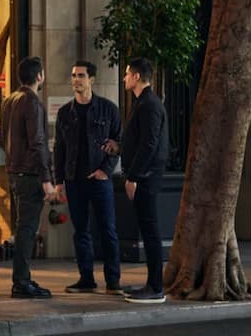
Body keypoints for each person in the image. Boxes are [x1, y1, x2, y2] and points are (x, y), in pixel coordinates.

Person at [52, 60, 122, 294]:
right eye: (73, 76)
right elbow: (59, 149)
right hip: (74, 180)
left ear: (92, 79)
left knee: (107, 229)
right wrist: (59, 180)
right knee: (81, 230)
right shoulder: (65, 113)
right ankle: (86, 279)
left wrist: (105, 169)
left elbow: (118, 143)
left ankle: (113, 281)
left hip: (100, 180)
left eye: (81, 76)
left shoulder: (108, 109)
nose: (76, 80)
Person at [106, 57, 169, 303]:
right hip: (144, 175)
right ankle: (152, 284)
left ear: (136, 76)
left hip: (146, 177)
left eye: (126, 74)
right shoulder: (144, 103)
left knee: (150, 231)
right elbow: (140, 142)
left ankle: (155, 287)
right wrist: (119, 148)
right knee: (148, 229)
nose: (123, 78)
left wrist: (133, 176)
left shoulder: (149, 104)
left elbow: (150, 144)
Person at [0, 56, 53, 299]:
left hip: (14, 171)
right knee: (26, 229)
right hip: (30, 174)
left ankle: (22, 278)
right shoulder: (32, 102)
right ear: (39, 76)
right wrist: (46, 178)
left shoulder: (9, 100)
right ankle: (21, 281)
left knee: (22, 227)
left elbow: (3, 138)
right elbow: (38, 142)